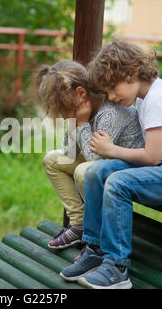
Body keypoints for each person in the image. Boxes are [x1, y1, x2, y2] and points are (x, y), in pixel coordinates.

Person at [59, 41, 162, 289]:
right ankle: (96, 248)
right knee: (97, 172)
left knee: (118, 183)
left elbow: (151, 156)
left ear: (131, 72)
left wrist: (111, 150)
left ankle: (117, 267)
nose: (110, 96)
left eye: (112, 88)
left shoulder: (157, 99)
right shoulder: (144, 98)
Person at [30, 60, 144, 250]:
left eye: (65, 110)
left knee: (84, 171)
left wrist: (81, 124)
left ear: (81, 93)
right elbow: (69, 152)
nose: (65, 116)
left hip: (128, 168)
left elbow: (95, 164)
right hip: (104, 162)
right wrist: (74, 124)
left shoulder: (110, 113)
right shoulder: (82, 111)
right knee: (52, 159)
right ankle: (80, 225)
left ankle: (98, 232)